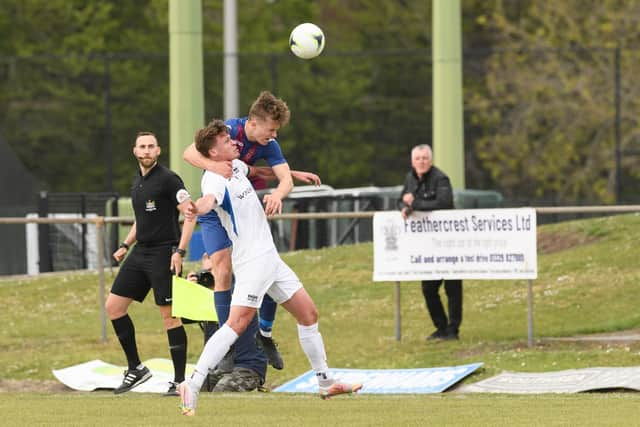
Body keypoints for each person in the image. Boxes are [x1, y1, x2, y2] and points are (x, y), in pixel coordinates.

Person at [176, 120, 361, 416]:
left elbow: (258, 172)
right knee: (236, 325)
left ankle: (326, 382)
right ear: (213, 151)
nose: (234, 143)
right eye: (227, 141)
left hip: (270, 258)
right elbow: (208, 202)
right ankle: (193, 383)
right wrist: (194, 207)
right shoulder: (213, 178)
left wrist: (290, 174)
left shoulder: (235, 165)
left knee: (308, 314)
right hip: (252, 261)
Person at [182, 90, 321, 371]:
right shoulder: (229, 132)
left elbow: (271, 177)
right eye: (271, 130)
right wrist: (217, 167)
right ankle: (226, 351)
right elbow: (188, 153)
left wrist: (283, 188)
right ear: (254, 123)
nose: (274, 136)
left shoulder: (268, 144)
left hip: (244, 206)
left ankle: (264, 335)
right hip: (217, 204)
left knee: (267, 266)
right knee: (222, 270)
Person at [105, 131, 197, 396]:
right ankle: (136, 368)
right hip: (140, 252)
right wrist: (125, 245)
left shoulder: (169, 179)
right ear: (135, 151)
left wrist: (180, 251)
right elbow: (141, 220)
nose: (146, 151)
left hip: (163, 253)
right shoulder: (137, 182)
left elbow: (190, 214)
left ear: (158, 151)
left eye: (151, 147)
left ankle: (180, 381)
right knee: (114, 307)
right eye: (142, 147)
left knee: (169, 316)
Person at [398, 144, 462, 341]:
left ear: (431, 160)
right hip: (427, 245)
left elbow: (444, 203)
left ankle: (453, 330)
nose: (421, 162)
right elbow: (400, 200)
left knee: (452, 287)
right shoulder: (410, 177)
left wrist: (414, 204)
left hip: (448, 242)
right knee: (428, 288)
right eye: (418, 158)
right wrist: (405, 207)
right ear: (412, 161)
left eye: (425, 158)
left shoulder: (440, 178)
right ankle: (440, 328)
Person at [185, 255, 268, 393]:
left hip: (246, 366)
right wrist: (190, 292)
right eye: (205, 272)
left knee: (221, 392)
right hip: (218, 368)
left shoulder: (239, 289)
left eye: (213, 269)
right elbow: (185, 318)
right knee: (192, 390)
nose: (209, 275)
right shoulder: (206, 293)